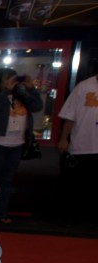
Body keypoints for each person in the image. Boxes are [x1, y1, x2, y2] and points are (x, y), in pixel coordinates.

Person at [0, 68, 43, 224]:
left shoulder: (23, 96)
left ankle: (1, 213)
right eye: (8, 79)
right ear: (0, 81)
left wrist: (30, 88)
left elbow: (37, 106)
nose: (12, 82)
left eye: (14, 79)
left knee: (7, 181)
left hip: (16, 144)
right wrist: (5, 92)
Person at [56, 70, 98, 228]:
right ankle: (72, 219)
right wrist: (63, 139)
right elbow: (69, 115)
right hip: (82, 144)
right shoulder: (84, 86)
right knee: (76, 186)